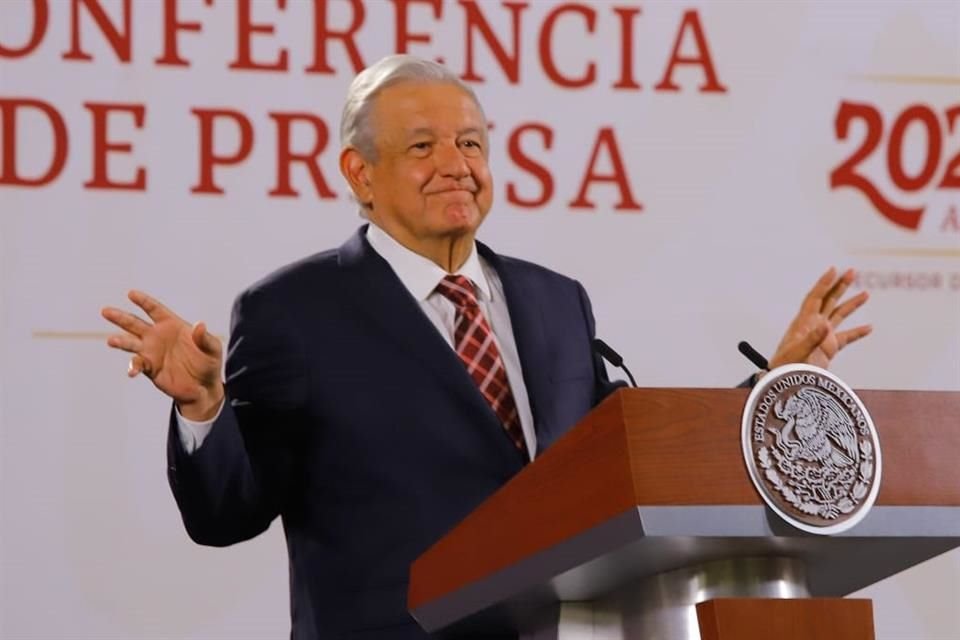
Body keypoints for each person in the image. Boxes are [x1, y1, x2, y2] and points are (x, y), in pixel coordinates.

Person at [101, 55, 871, 639]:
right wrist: (204, 406)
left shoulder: (554, 299)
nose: (456, 165)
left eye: (470, 143)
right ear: (359, 175)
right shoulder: (292, 312)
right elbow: (229, 511)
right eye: (424, 147)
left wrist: (778, 380)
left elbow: (633, 460)